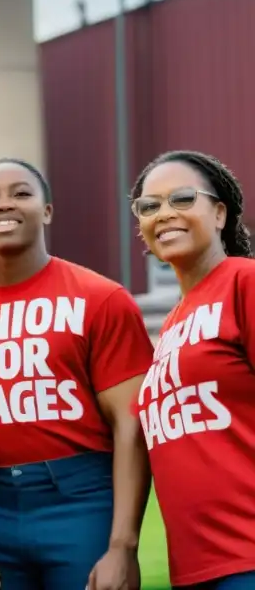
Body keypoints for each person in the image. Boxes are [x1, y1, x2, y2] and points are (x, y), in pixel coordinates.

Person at [0, 158, 154, 590]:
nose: (4, 205)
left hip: (80, 498)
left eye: (21, 193)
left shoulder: (101, 298)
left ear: (47, 210)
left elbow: (131, 423)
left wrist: (123, 546)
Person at [131, 150, 255, 590]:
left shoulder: (245, 282)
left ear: (219, 213)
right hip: (196, 567)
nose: (164, 213)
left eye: (182, 199)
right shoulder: (173, 323)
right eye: (149, 206)